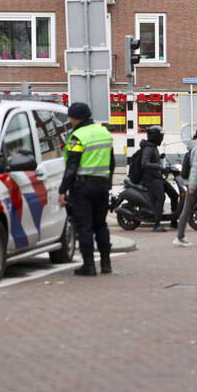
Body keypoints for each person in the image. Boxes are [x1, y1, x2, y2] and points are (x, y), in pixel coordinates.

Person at [58, 102, 115, 276]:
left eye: (70, 118)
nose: (70, 120)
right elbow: (112, 162)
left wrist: (63, 190)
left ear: (76, 118)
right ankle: (106, 264)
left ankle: (88, 266)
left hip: (83, 187)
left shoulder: (77, 137)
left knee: (85, 226)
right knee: (101, 225)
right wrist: (108, 183)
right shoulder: (104, 133)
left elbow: (72, 166)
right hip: (102, 186)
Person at [174, 127, 197, 248]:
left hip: (195, 184)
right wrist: (192, 186)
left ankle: (180, 237)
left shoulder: (194, 147)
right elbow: (196, 168)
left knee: (186, 210)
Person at [137, 126, 169, 232]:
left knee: (174, 194)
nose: (161, 138)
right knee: (161, 197)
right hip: (150, 178)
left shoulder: (153, 146)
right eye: (160, 136)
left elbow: (153, 160)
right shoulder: (148, 148)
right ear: (155, 136)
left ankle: (173, 220)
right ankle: (157, 224)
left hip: (157, 176)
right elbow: (144, 163)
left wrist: (160, 161)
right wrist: (159, 166)